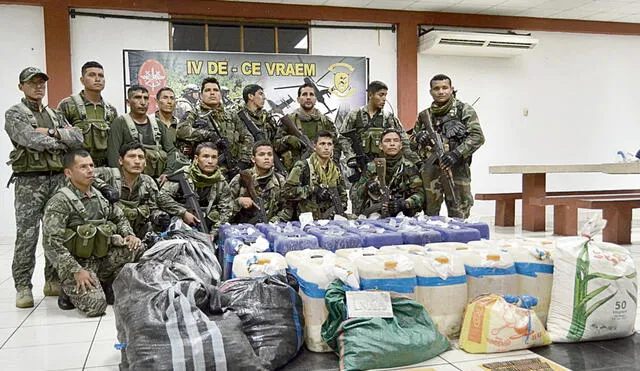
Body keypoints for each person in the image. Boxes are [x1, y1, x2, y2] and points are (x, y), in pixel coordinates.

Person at [5, 67, 84, 308]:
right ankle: (23, 287)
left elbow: (78, 137)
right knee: (27, 236)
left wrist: (50, 131)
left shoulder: (53, 114)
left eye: (41, 83)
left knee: (55, 232)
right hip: (29, 181)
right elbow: (29, 139)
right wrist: (60, 140)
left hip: (56, 179)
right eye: (32, 83)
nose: (38, 87)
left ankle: (52, 281)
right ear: (21, 86)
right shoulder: (14, 114)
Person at [42, 149, 142, 317]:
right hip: (78, 264)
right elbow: (51, 244)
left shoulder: (100, 197)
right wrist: (75, 270)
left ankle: (106, 281)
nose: (90, 170)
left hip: (101, 257)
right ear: (68, 173)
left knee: (137, 247)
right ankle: (68, 290)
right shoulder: (60, 202)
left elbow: (120, 218)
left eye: (91, 165)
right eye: (83, 167)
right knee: (97, 306)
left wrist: (129, 234)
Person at [412, 74, 485, 218]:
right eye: (436, 88)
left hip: (456, 169)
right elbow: (411, 143)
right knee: (430, 214)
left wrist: (457, 153)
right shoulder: (424, 115)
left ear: (451, 89)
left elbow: (477, 137)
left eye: (445, 88)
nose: (441, 92)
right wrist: (419, 138)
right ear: (430, 91)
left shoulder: (463, 110)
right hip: (431, 171)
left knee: (459, 212)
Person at [94, 143, 198, 238]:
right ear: (121, 160)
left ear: (145, 163)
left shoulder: (147, 181)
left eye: (141, 157)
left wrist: (183, 213)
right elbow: (84, 174)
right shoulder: (108, 174)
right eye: (131, 156)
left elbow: (162, 199)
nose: (137, 161)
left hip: (136, 232)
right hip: (111, 233)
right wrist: (103, 186)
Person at [340, 80, 418, 181]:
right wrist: (352, 158)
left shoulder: (388, 117)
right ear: (371, 95)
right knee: (358, 193)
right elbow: (343, 138)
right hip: (360, 165)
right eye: (381, 95)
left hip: (383, 166)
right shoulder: (354, 115)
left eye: (385, 95)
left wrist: (414, 162)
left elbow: (404, 141)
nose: (384, 99)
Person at [176, 77, 253, 180]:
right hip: (202, 171)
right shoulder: (194, 114)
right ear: (201, 95)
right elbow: (181, 130)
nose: (212, 93)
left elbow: (248, 137)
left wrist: (242, 163)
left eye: (215, 90)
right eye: (207, 90)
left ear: (220, 94)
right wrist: (208, 135)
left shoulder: (232, 115)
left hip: (231, 169)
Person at [162, 142, 233, 239]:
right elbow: (162, 197)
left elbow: (226, 211)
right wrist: (183, 213)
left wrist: (213, 233)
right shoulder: (184, 174)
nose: (210, 161)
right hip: (181, 222)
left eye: (214, 157)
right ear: (196, 159)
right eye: (206, 156)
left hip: (207, 224)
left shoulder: (221, 181)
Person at [57, 61, 118, 167]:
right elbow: (59, 138)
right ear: (82, 80)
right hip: (77, 168)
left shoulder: (111, 110)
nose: (98, 79)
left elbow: (115, 144)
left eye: (101, 76)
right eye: (92, 75)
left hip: (105, 168)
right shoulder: (68, 105)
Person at [352, 128, 424, 217]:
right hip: (375, 215)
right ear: (380, 146)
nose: (392, 144)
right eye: (387, 141)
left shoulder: (409, 167)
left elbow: (420, 194)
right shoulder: (371, 167)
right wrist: (367, 185)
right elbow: (358, 193)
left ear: (401, 145)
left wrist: (404, 204)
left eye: (396, 140)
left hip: (402, 215)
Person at [107, 85, 175, 177]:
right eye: (137, 98)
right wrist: (121, 179)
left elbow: (171, 151)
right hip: (130, 180)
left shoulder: (158, 124)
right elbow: (113, 155)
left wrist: (167, 173)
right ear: (128, 102)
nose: (143, 102)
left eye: (146, 98)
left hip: (159, 179)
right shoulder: (120, 123)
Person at [274, 82, 341, 171]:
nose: (308, 97)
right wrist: (287, 140)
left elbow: (336, 146)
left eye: (311, 94)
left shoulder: (326, 122)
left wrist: (331, 165)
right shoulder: (289, 121)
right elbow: (275, 146)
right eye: (304, 94)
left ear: (315, 99)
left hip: (321, 171)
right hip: (295, 172)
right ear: (298, 99)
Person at [283, 131, 347, 220]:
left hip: (331, 219)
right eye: (322, 144)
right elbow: (286, 192)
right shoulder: (303, 166)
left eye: (329, 144)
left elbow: (343, 196)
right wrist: (313, 190)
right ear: (314, 147)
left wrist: (337, 209)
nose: (326, 148)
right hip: (307, 219)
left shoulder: (335, 169)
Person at [229, 141, 292, 224]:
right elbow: (224, 208)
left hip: (272, 230)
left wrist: (273, 223)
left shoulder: (280, 180)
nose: (266, 158)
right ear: (253, 159)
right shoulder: (241, 179)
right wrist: (239, 202)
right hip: (243, 230)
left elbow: (288, 208)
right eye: (261, 154)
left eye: (269, 154)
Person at [155, 87, 191, 175]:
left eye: (172, 98)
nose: (169, 102)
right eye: (165, 98)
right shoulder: (150, 123)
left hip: (177, 171)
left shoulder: (181, 126)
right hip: (155, 170)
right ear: (157, 101)